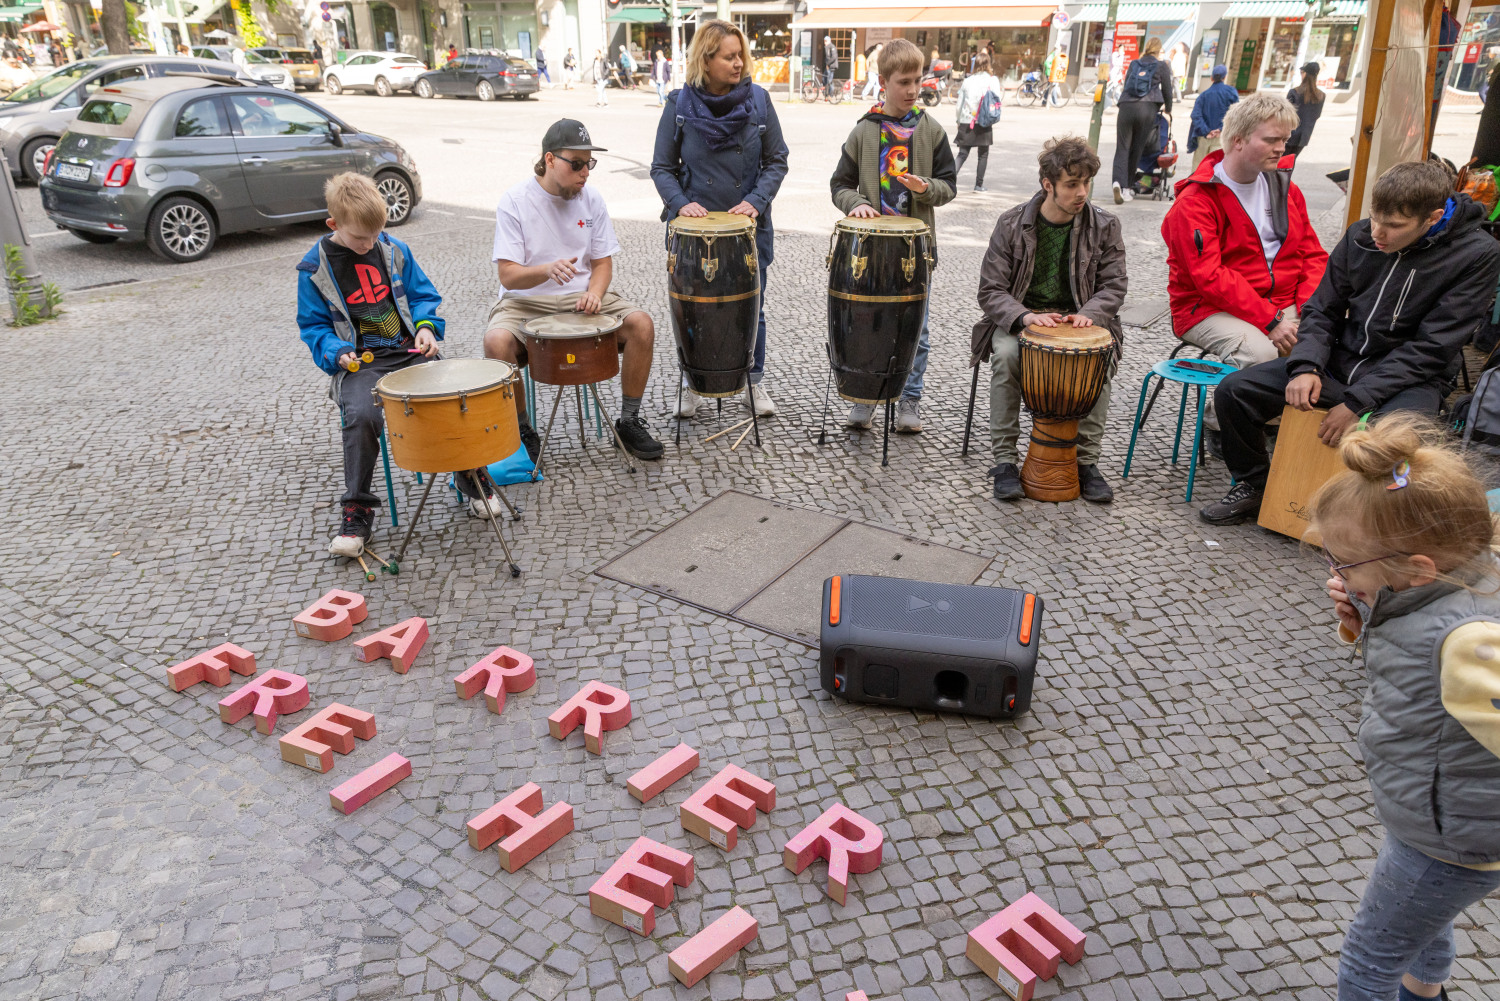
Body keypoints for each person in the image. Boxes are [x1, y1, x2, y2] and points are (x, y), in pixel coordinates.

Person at [1304, 415, 1500, 1001]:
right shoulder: (1434, 592)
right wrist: (1356, 613)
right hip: (1431, 814)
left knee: (1369, 959)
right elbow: (1410, 646)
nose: (1335, 574)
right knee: (1421, 921)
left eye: (1344, 565)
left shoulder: (1469, 641)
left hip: (1454, 833)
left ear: (1417, 571)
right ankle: (1425, 994)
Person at [1199, 160, 1500, 524]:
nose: (1378, 233)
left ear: (1433, 217)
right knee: (1234, 391)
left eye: (1394, 226)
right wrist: (1306, 366)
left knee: (1402, 438)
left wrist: (1358, 402)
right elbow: (1322, 309)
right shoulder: (1360, 235)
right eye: (1375, 218)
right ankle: (1257, 486)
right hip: (1341, 359)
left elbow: (1433, 347)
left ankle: (1370, 523)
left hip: (1412, 378)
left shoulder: (1477, 254)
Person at [297, 174, 503, 556]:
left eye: (377, 234)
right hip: (359, 365)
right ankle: (357, 511)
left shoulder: (394, 249)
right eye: (361, 238)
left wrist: (426, 328)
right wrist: (336, 351)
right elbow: (312, 326)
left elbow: (424, 296)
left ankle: (469, 477)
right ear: (334, 225)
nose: (370, 243)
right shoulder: (314, 270)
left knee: (452, 397)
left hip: (408, 352)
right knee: (360, 416)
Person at [483, 119, 664, 462]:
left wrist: (596, 292)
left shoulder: (592, 199)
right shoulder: (516, 201)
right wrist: (545, 270)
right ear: (549, 160)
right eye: (576, 164)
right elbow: (507, 276)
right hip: (526, 302)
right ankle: (521, 430)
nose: (585, 173)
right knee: (495, 342)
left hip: (581, 298)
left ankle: (628, 421)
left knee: (642, 324)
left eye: (589, 164)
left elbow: (602, 263)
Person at [1162, 92, 1327, 457]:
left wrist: (1310, 309)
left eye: (1284, 140)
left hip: (1281, 304)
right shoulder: (1196, 201)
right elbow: (1210, 277)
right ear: (1238, 141)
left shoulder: (1286, 189)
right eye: (1271, 139)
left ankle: (1274, 421)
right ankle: (1222, 421)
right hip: (1204, 308)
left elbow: (1312, 254)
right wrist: (1272, 320)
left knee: (1324, 343)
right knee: (1260, 353)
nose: (1281, 148)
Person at [969, 136, 1127, 505]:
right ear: (1048, 184)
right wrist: (1025, 316)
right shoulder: (1011, 224)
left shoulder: (1105, 225)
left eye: (1086, 183)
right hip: (1021, 322)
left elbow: (1115, 285)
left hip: (1080, 325)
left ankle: (1086, 463)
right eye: (1072, 184)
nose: (1082, 193)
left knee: (1099, 360)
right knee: (1007, 359)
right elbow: (990, 290)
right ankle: (1005, 462)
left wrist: (1088, 315)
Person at [652, 19, 789, 420]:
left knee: (753, 308)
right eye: (729, 57)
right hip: (694, 235)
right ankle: (691, 384)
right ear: (705, 59)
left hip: (746, 230)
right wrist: (679, 203)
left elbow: (777, 160)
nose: (738, 63)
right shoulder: (679, 106)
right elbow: (662, 167)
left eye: (740, 56)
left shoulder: (759, 101)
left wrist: (757, 200)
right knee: (692, 308)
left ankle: (752, 380)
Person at [830, 37, 956, 433]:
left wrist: (926, 189)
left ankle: (910, 401)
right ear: (883, 81)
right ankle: (866, 397)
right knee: (867, 326)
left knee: (916, 329)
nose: (913, 90)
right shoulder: (864, 131)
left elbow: (949, 186)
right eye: (904, 81)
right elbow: (839, 185)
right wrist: (855, 204)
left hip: (913, 252)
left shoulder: (931, 131)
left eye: (917, 80)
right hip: (868, 251)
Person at [1112, 37, 1172, 203]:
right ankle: (1127, 189)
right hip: (1147, 109)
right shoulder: (1161, 66)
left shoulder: (1134, 64)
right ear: (1159, 50)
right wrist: (1168, 108)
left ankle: (1117, 182)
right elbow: (1167, 90)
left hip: (1126, 106)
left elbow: (1126, 85)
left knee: (1122, 147)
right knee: (1136, 148)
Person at [953, 51, 1000, 192]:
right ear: (988, 64)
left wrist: (958, 120)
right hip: (985, 121)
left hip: (967, 121)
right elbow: (997, 100)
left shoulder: (968, 81)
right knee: (983, 154)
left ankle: (949, 181)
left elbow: (959, 104)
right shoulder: (993, 80)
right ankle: (978, 185)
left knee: (962, 154)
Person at [1187, 63, 1238, 169]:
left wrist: (1206, 131)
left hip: (1204, 136)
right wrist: (1220, 129)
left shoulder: (1203, 95)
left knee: (1199, 168)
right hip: (1222, 136)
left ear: (1211, 78)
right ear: (1225, 77)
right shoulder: (1231, 92)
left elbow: (1196, 115)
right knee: (1217, 168)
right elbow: (1235, 114)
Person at [1284, 61, 1324, 161]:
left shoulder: (1294, 92)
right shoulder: (1321, 95)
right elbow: (1317, 115)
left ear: (1305, 74)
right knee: (1290, 163)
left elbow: (1285, 114)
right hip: (1304, 136)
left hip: (1289, 134)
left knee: (1279, 163)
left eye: (1302, 72)